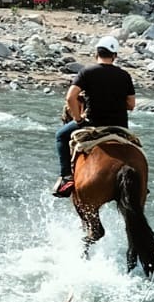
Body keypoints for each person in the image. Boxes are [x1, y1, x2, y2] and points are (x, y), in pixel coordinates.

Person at [52, 35, 136, 197]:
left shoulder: (87, 72)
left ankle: (66, 177)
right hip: (119, 126)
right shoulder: (124, 75)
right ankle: (141, 186)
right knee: (135, 149)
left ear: (96, 53)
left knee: (61, 136)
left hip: (92, 123)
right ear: (114, 56)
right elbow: (131, 105)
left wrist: (78, 119)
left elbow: (70, 97)